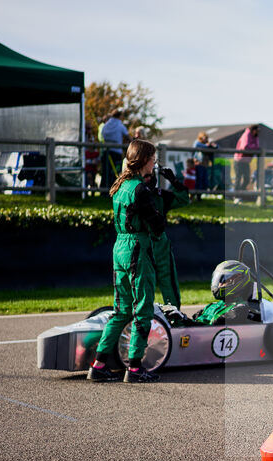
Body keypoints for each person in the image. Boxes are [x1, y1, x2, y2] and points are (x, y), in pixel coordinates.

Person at [88, 139, 166, 384]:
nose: (155, 164)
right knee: (142, 309)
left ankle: (98, 365)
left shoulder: (120, 185)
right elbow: (157, 225)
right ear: (144, 160)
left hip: (119, 247)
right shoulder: (140, 189)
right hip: (137, 248)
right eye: (153, 159)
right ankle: (134, 368)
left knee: (121, 310)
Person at [150, 165, 190, 309]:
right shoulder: (129, 191)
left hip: (159, 243)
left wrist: (174, 181)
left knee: (168, 282)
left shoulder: (160, 195)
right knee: (142, 286)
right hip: (138, 244)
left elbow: (184, 199)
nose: (148, 178)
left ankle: (175, 318)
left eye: (150, 174)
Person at [100, 109, 129, 189]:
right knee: (115, 171)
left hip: (106, 151)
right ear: (119, 116)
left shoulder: (106, 125)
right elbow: (126, 135)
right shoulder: (120, 125)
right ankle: (114, 189)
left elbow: (102, 133)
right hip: (116, 151)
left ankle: (103, 190)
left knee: (105, 171)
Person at [234, 125, 259, 192]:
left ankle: (241, 193)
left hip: (246, 161)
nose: (257, 132)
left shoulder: (255, 137)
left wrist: (254, 147)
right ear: (253, 130)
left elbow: (257, 147)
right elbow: (245, 147)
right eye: (256, 130)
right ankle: (236, 195)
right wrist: (254, 147)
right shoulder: (246, 134)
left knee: (247, 179)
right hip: (239, 160)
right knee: (238, 178)